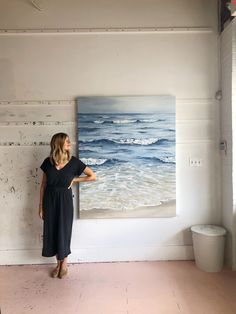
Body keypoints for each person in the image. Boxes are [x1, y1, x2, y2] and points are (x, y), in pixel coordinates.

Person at [38, 132, 96, 279]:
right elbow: (43, 185)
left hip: (64, 201)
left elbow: (92, 176)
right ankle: (58, 263)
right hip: (49, 200)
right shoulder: (48, 162)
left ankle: (64, 264)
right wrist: (40, 206)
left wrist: (75, 180)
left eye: (69, 142)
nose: (70, 144)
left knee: (64, 231)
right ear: (58, 144)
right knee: (52, 231)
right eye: (67, 142)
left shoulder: (74, 162)